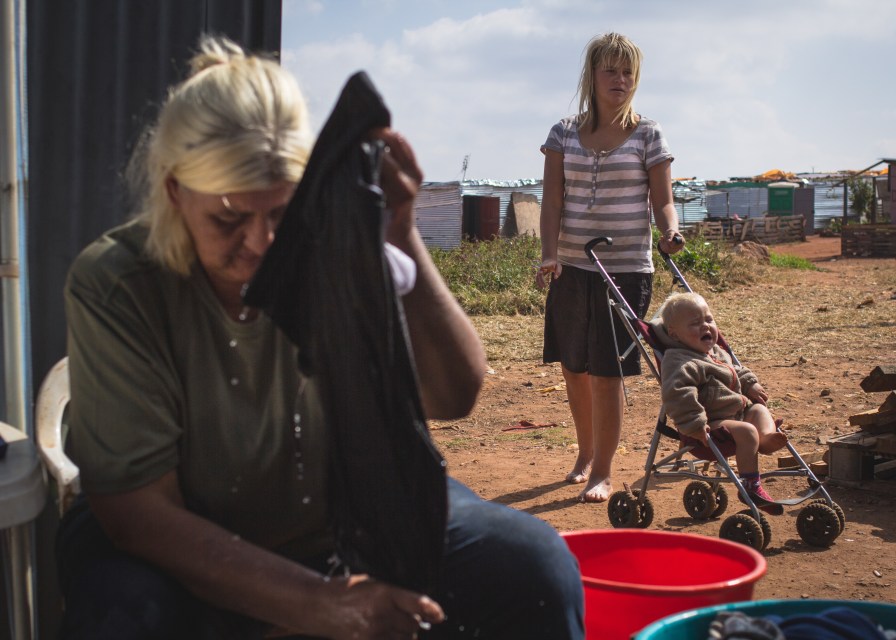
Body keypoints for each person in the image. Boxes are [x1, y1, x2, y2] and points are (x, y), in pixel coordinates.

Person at [58, 35, 584, 639]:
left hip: (333, 517)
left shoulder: (326, 248)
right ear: (176, 193)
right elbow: (139, 515)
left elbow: (454, 394)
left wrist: (399, 233)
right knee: (119, 610)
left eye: (281, 213)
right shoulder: (121, 285)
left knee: (532, 565)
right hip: (186, 543)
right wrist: (318, 604)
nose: (260, 244)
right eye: (228, 220)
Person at [537, 32, 685, 503]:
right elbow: (553, 201)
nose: (620, 80)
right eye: (611, 70)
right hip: (573, 266)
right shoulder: (563, 132)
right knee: (574, 367)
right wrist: (549, 253)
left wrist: (670, 230)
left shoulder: (648, 134)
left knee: (607, 371)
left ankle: (603, 470)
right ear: (593, 75)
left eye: (628, 72)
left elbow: (663, 199)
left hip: (625, 270)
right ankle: (585, 454)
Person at [654, 292, 788, 513]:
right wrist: (695, 424)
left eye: (709, 319)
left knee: (759, 410)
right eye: (695, 323)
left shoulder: (715, 352)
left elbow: (735, 370)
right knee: (747, 431)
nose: (706, 326)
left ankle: (766, 439)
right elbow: (677, 395)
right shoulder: (679, 360)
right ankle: (751, 487)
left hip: (737, 414)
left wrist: (749, 383)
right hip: (708, 428)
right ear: (674, 334)